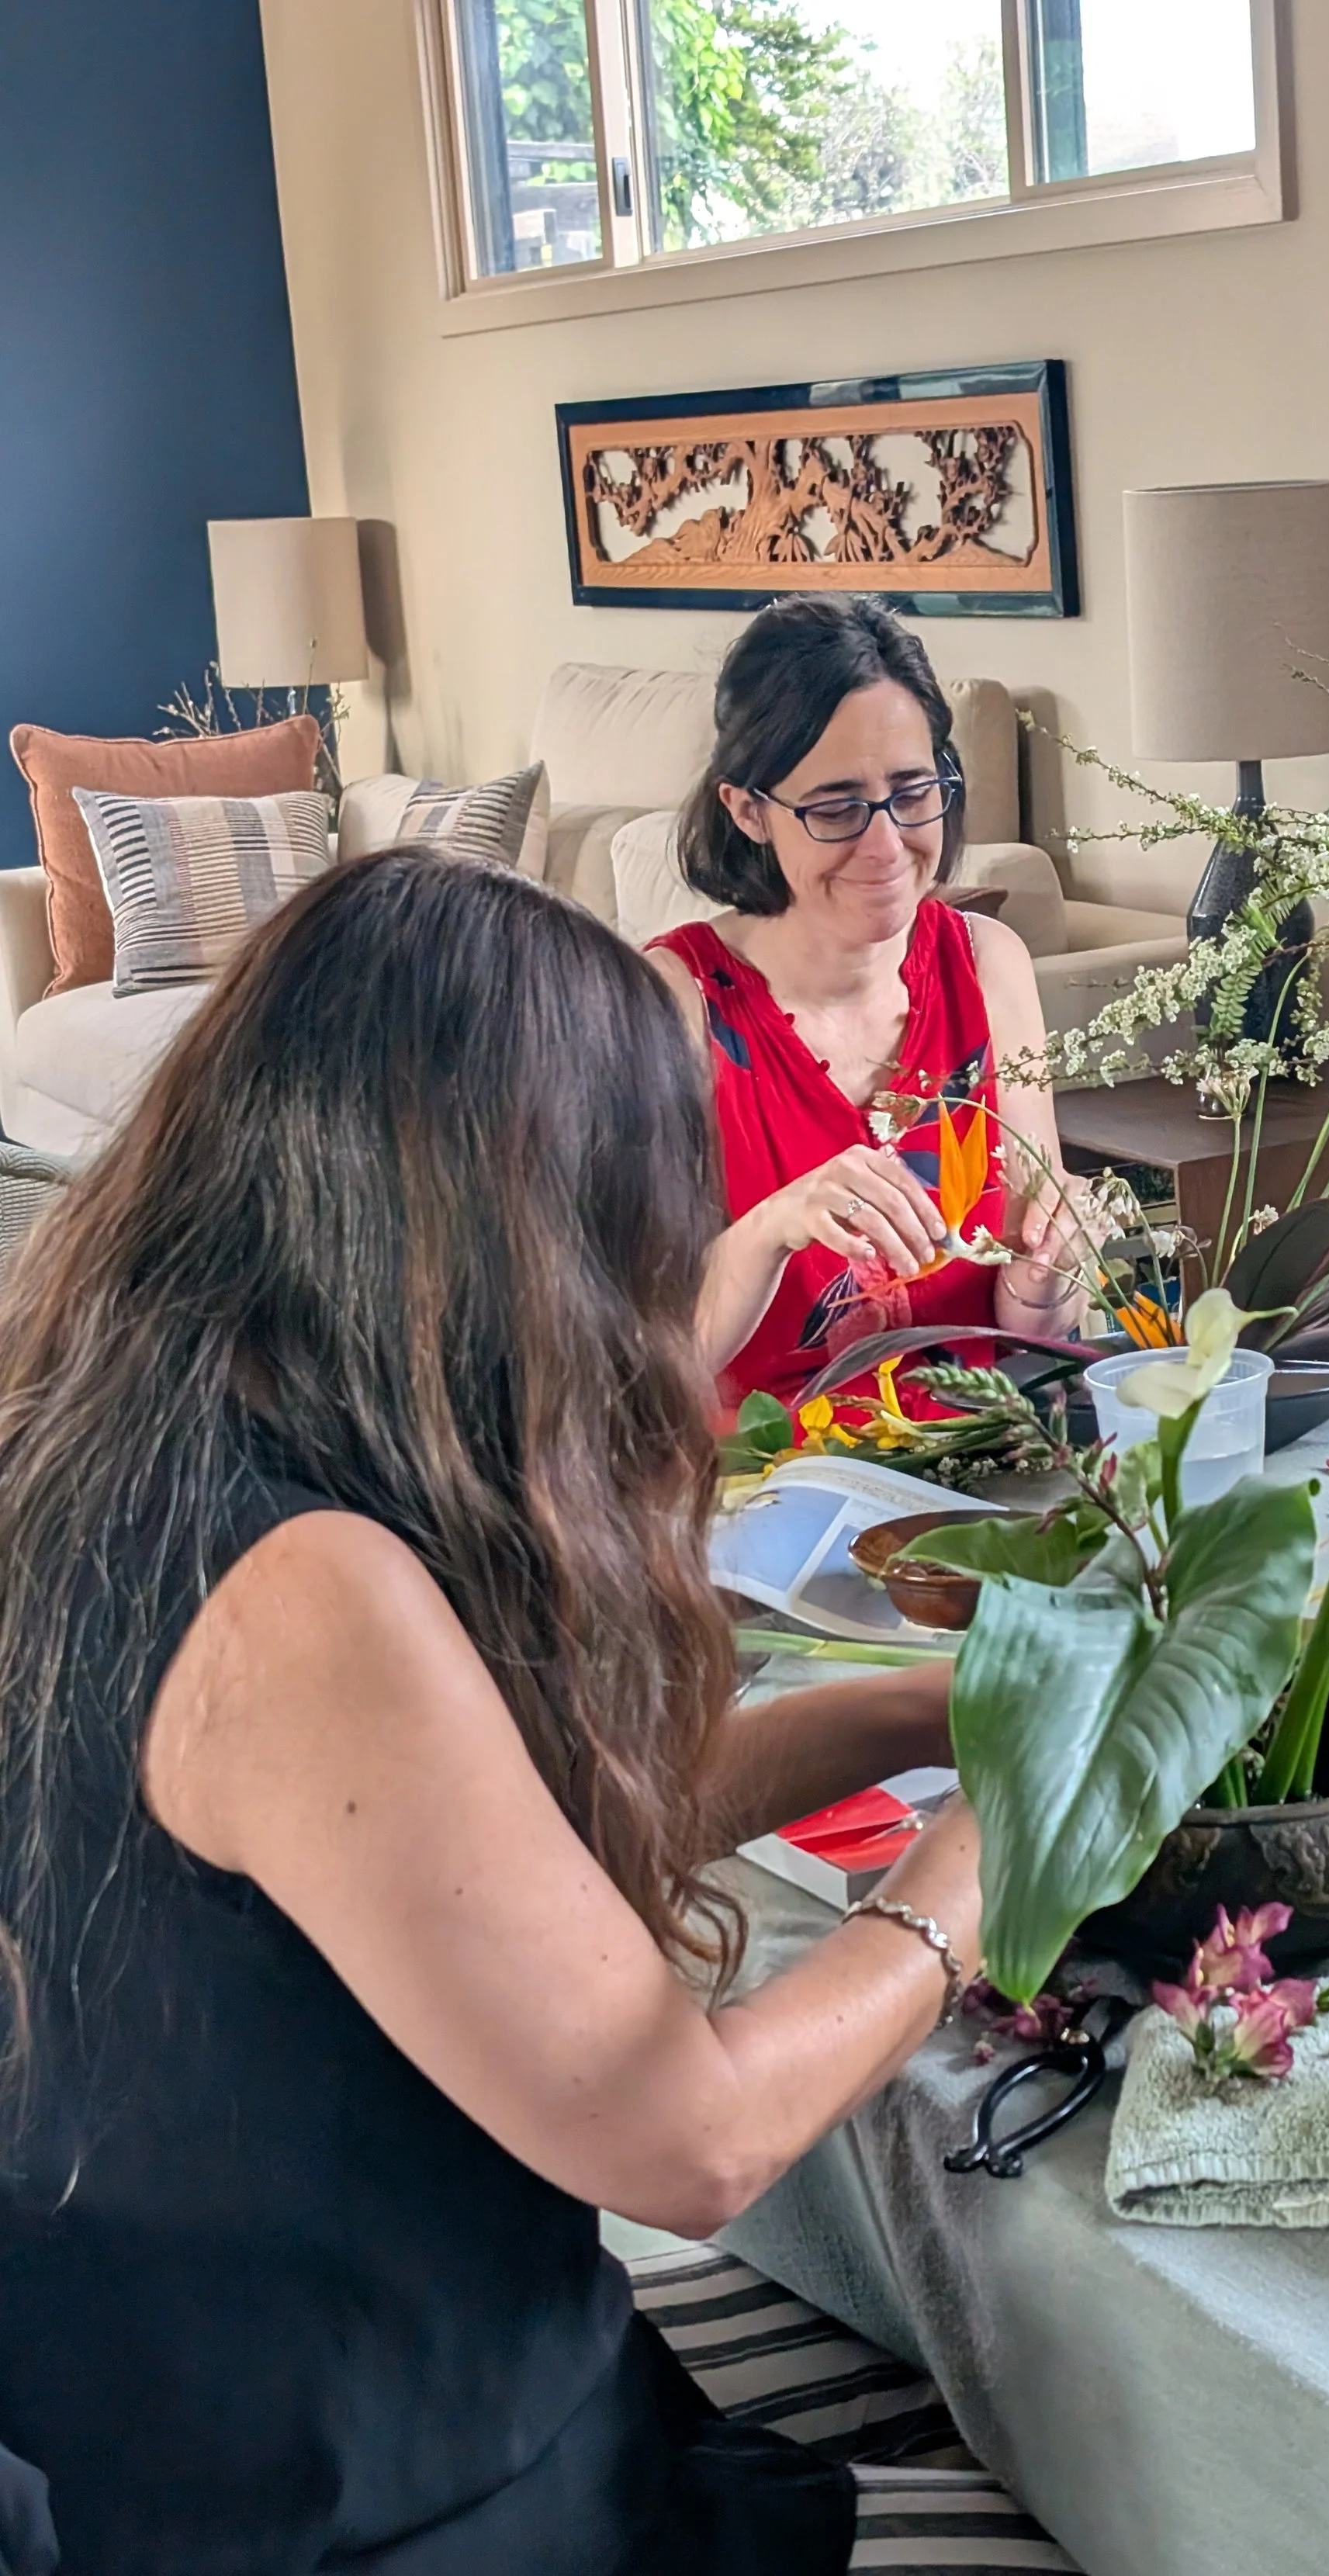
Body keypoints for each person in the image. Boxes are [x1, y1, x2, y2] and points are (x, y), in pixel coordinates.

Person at [0, 851, 1071, 2574]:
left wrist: (928, 1707)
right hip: (359, 2492)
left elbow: (503, 1839)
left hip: (214, 2396)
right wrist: (1002, 1843)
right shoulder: (299, 1590)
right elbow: (696, 2141)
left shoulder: (126, 1433)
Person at [648, 597, 1083, 1410]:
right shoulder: (670, 1005)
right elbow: (641, 1361)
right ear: (747, 808)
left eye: (913, 793)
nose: (886, 846)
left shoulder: (991, 966)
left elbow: (1036, 1327)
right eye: (837, 807)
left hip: (985, 1466)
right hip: (766, 1494)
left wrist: (1045, 1277)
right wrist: (773, 1226)